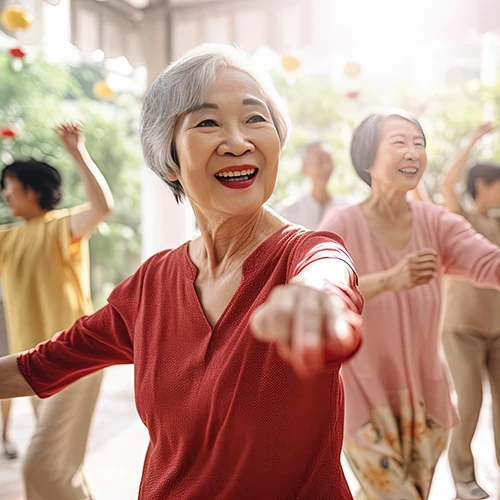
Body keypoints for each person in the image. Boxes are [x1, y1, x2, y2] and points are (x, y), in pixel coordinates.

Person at [0, 44, 364, 499]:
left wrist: (316, 303)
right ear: (169, 155)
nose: (237, 141)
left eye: (255, 118)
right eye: (208, 122)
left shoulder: (309, 254)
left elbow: (328, 282)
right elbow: (41, 365)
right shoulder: (152, 283)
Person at [318, 111, 500, 500]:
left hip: (426, 404)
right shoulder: (342, 224)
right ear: (367, 159)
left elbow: (489, 263)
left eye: (419, 143)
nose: (413, 152)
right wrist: (389, 280)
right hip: (362, 403)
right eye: (399, 142)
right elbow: (321, 291)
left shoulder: (437, 223)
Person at [0, 123, 114, 500]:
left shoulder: (61, 226)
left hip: (74, 359)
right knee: (62, 474)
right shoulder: (9, 237)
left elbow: (102, 207)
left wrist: (78, 152)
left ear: (31, 189)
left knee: (41, 468)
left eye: (9, 185)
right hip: (30, 368)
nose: (5, 193)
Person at [440, 122, 500, 500]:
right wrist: (473, 139)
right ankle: (464, 479)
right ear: (482, 186)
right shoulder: (459, 219)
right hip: (461, 329)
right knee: (470, 401)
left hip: (498, 330)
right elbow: (447, 184)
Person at [276, 141, 348, 229]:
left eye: (329, 160)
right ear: (304, 168)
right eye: (319, 161)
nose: (326, 167)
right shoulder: (288, 210)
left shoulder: (346, 208)